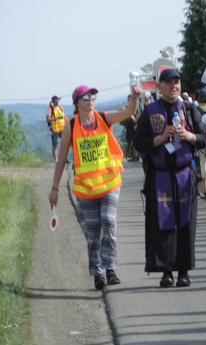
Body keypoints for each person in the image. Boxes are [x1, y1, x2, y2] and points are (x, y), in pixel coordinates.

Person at [49, 84, 141, 290]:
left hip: (109, 184)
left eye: (92, 96)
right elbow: (62, 159)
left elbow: (127, 112)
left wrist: (133, 98)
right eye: (85, 97)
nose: (90, 99)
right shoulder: (70, 127)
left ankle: (110, 268)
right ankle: (97, 273)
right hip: (86, 190)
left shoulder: (104, 118)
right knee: (93, 231)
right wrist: (54, 188)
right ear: (76, 103)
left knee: (108, 221)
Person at [133, 68, 206, 288]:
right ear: (160, 86)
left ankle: (184, 271)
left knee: (186, 223)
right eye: (169, 83)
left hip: (184, 176)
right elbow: (139, 142)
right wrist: (160, 138)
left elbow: (204, 138)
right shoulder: (150, 111)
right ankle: (166, 271)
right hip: (161, 177)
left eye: (177, 83)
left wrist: (189, 136)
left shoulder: (189, 109)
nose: (173, 86)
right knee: (163, 225)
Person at [46, 95, 66, 161]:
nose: (57, 102)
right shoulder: (50, 109)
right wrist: (56, 118)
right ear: (53, 101)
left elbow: (64, 117)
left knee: (65, 143)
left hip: (62, 128)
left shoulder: (61, 108)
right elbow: (48, 120)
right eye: (56, 100)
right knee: (55, 145)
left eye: (58, 100)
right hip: (54, 129)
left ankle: (64, 158)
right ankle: (56, 160)